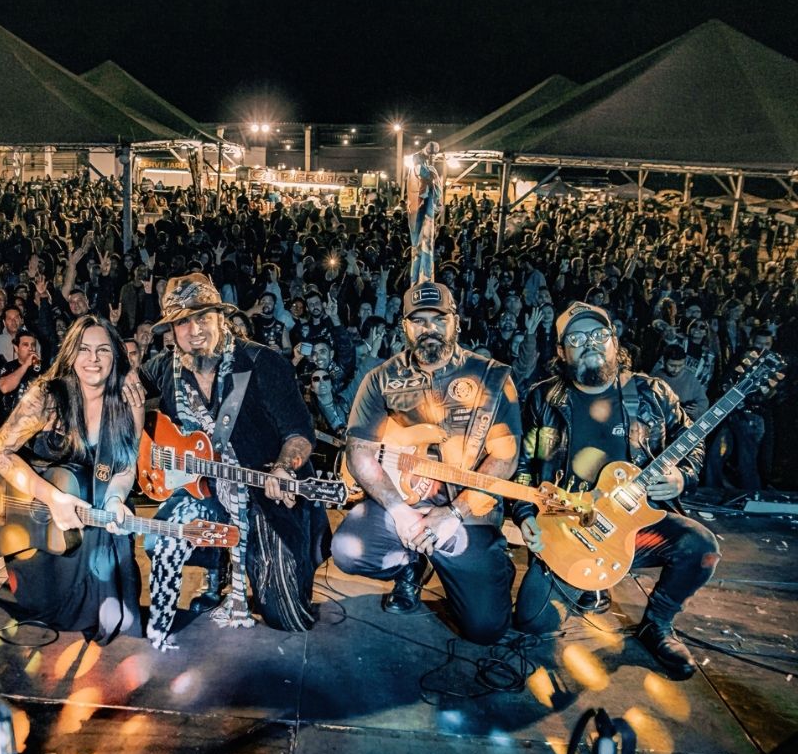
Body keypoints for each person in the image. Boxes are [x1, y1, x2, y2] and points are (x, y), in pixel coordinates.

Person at [513, 302, 719, 680]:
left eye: (599, 335)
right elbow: (523, 464)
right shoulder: (544, 400)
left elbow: (691, 443)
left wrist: (681, 478)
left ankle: (657, 624)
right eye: (576, 338)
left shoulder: (652, 393)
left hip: (638, 528)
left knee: (701, 547)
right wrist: (525, 514)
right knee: (531, 623)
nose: (589, 343)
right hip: (570, 529)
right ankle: (590, 581)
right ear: (561, 352)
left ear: (614, 342)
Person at [138, 273, 329, 650]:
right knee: (161, 539)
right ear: (172, 330)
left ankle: (257, 563)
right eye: (182, 322)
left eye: (203, 317)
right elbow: (126, 395)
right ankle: (218, 567)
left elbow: (298, 434)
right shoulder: (164, 368)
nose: (194, 330)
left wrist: (283, 468)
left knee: (286, 616)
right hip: (205, 489)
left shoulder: (262, 363)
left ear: (221, 317)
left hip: (262, 495)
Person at [332, 281, 521, 645]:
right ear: (404, 326)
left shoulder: (493, 379)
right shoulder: (381, 379)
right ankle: (411, 565)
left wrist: (454, 512)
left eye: (439, 319)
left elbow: (505, 457)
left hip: (469, 513)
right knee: (348, 550)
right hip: (406, 502)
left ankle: (484, 564)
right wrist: (399, 510)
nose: (428, 329)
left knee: (486, 629)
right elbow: (358, 450)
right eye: (417, 321)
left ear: (456, 323)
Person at [0, 314, 143, 644]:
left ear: (116, 356)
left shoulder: (129, 400)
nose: (93, 360)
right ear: (70, 354)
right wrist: (52, 497)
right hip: (40, 519)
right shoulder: (47, 395)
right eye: (84, 349)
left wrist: (115, 499)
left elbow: (127, 466)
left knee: (118, 618)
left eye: (103, 350)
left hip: (96, 513)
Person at [406, 142, 441, 284]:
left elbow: (436, 186)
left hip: (427, 206)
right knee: (418, 241)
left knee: (426, 242)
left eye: (435, 153)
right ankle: (417, 277)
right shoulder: (417, 159)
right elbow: (422, 173)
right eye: (430, 152)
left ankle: (424, 276)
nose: (432, 155)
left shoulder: (430, 166)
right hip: (418, 205)